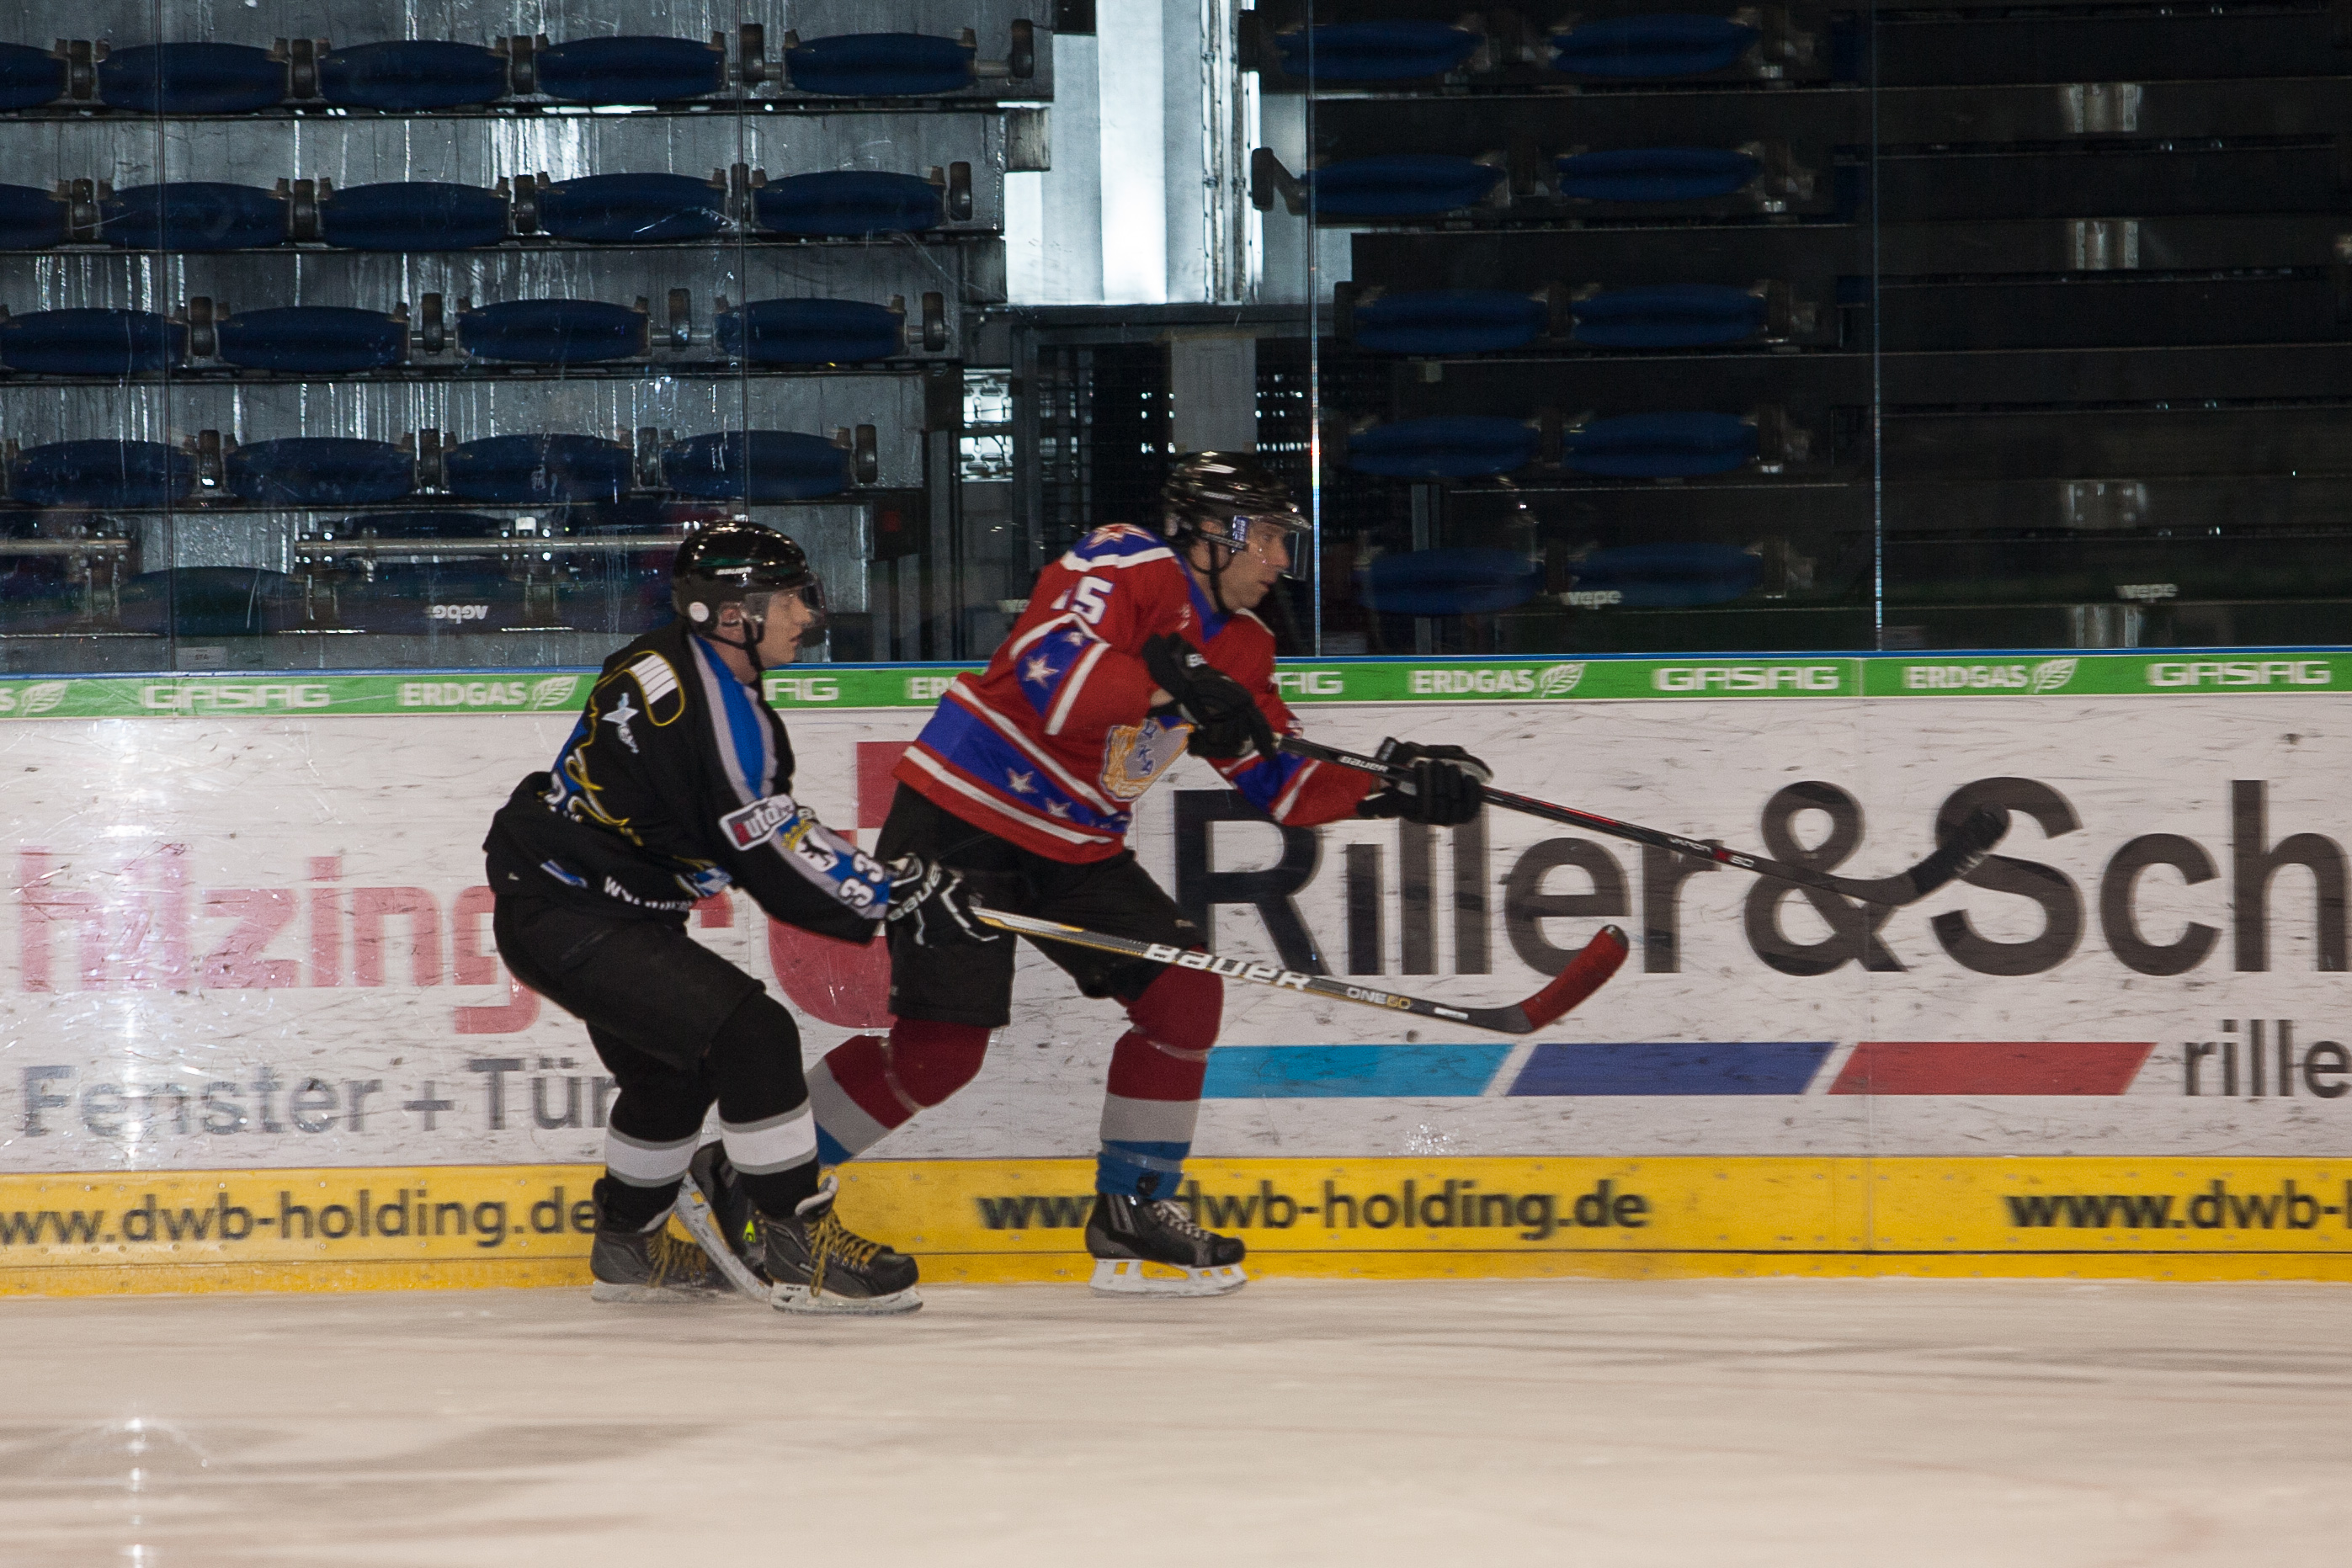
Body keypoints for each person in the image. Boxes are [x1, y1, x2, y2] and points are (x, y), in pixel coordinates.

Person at [791, 451, 1491, 1296]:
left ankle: (1132, 1207)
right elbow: (1053, 674)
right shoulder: (1127, 560)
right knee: (939, 1057)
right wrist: (1173, 684)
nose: (1281, 560)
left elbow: (1281, 780)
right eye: (1269, 538)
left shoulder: (1246, 644)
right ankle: (757, 1182)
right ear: (1212, 533)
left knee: (1183, 994)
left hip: (1078, 843)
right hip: (964, 814)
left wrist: (1395, 788)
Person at [482, 521, 984, 1314]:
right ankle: (797, 1241)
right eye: (787, 600)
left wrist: (882, 884)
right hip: (571, 912)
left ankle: (627, 1246)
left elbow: (752, 826)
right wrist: (893, 893)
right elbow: (767, 846)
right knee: (755, 1033)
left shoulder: (668, 662)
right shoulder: (712, 709)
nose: (804, 615)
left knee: (672, 1074)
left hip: (576, 903)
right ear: (730, 614)